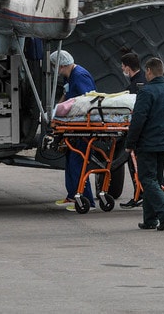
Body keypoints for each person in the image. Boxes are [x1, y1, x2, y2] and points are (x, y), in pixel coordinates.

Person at [124, 57, 164, 231]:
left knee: (146, 179)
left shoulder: (146, 92)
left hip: (148, 142)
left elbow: (138, 119)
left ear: (148, 71)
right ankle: (150, 219)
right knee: (156, 179)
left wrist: (130, 142)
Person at [51, 49, 96, 207]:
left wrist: (64, 110)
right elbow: (67, 95)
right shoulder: (69, 76)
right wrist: (56, 111)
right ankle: (72, 195)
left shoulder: (80, 75)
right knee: (70, 161)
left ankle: (86, 199)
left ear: (61, 65)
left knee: (79, 162)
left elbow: (87, 100)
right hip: (72, 125)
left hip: (83, 126)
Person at [119, 51, 146, 209]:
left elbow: (135, 113)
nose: (122, 69)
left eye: (122, 66)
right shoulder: (142, 79)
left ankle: (140, 194)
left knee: (135, 164)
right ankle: (143, 193)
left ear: (128, 68)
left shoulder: (136, 85)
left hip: (139, 133)